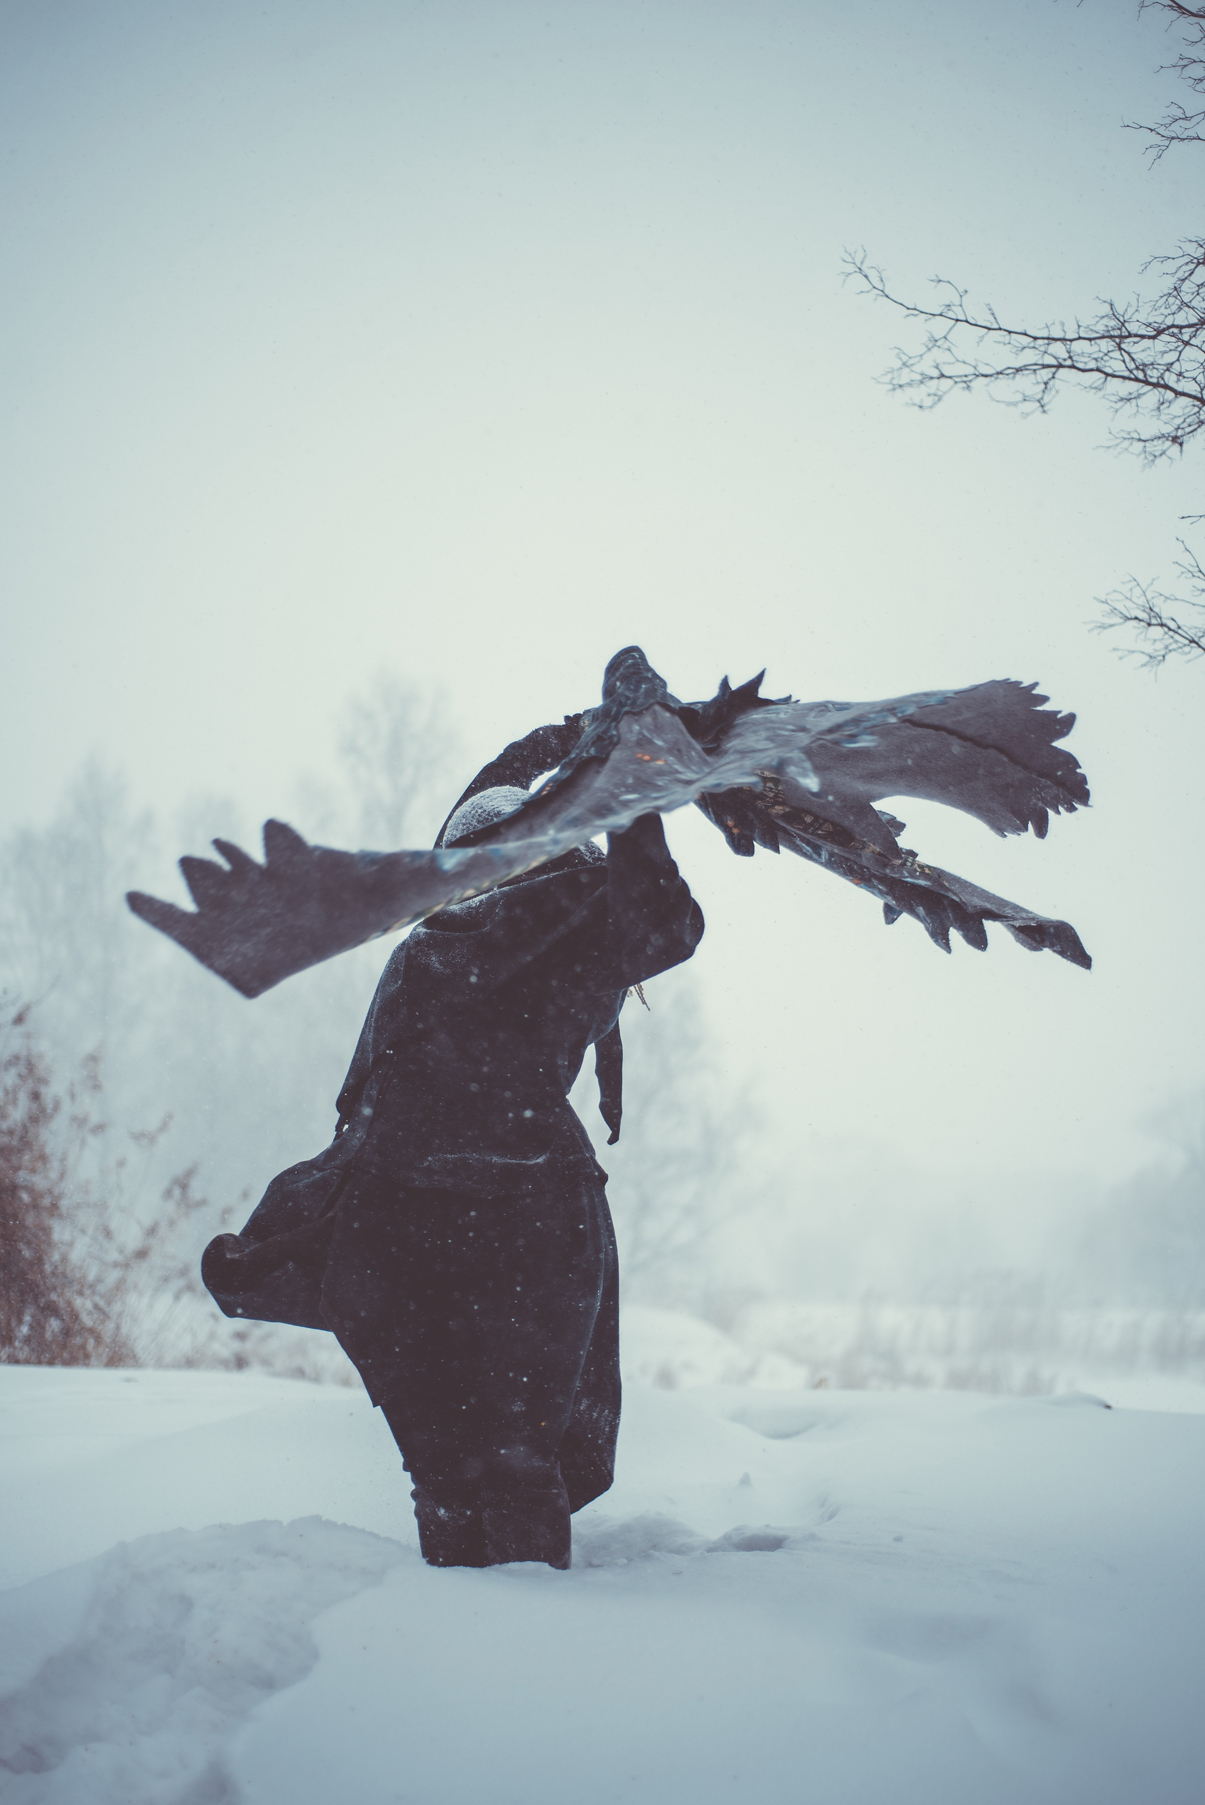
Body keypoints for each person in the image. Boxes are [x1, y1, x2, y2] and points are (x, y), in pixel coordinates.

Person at [202, 786, 703, 1569]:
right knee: (513, 1464)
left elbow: (365, 1109)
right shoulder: (569, 921)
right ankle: (507, 1649)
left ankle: (468, 1636)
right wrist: (633, 803)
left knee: (447, 1469)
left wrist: (305, 1225)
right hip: (522, 1218)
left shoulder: (433, 950)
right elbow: (666, 925)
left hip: (405, 1223)